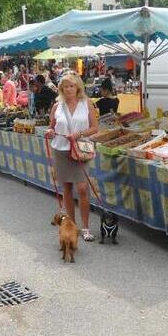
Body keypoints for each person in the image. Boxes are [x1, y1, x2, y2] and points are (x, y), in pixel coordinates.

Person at [45, 72, 99, 242]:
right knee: (67, 187)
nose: (69, 89)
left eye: (72, 86)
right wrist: (50, 132)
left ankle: (85, 226)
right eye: (65, 86)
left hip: (81, 150)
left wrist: (79, 134)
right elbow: (52, 128)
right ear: (61, 89)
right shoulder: (57, 107)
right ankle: (72, 225)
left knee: (82, 187)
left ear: (78, 87)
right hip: (61, 150)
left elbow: (95, 128)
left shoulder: (86, 103)